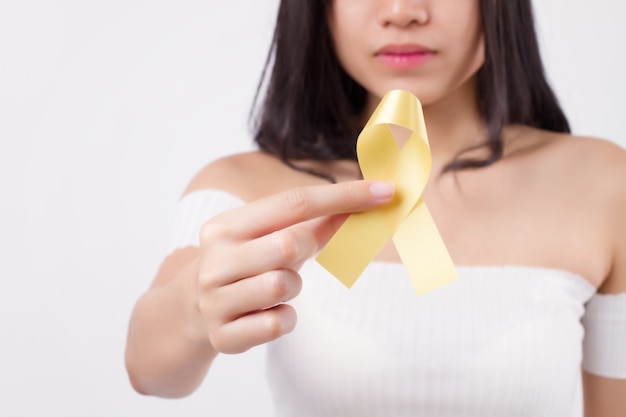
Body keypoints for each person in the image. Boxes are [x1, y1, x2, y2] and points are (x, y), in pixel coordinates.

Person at [125, 0, 626, 415]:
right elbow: (149, 371)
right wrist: (194, 305)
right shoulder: (244, 187)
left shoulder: (603, 184)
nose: (402, 11)